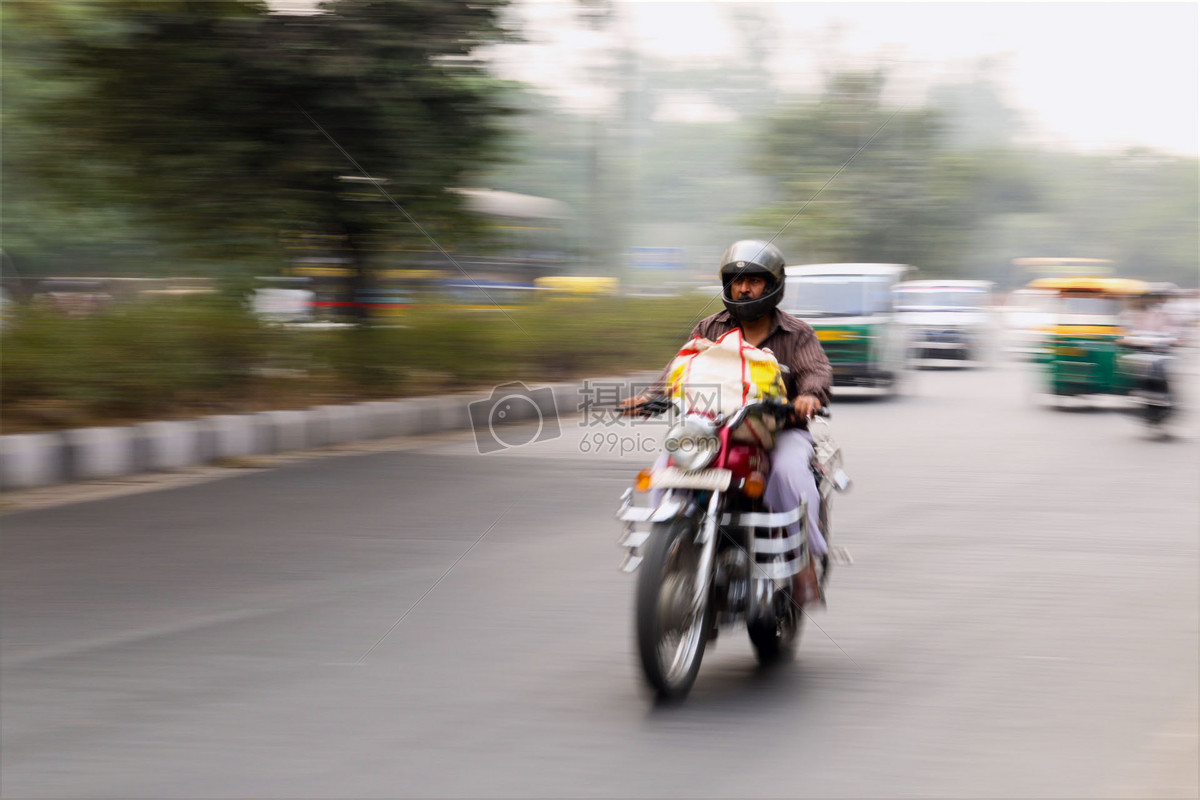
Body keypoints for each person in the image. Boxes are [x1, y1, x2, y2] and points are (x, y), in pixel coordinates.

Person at [623, 240, 833, 597]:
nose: (744, 288)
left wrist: (809, 396)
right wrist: (650, 397)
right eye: (737, 280)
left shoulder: (797, 333)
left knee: (788, 472)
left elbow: (816, 370)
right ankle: (667, 550)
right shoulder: (710, 327)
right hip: (712, 431)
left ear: (773, 285)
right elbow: (681, 368)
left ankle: (803, 560)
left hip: (778, 430)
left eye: (754, 280)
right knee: (666, 466)